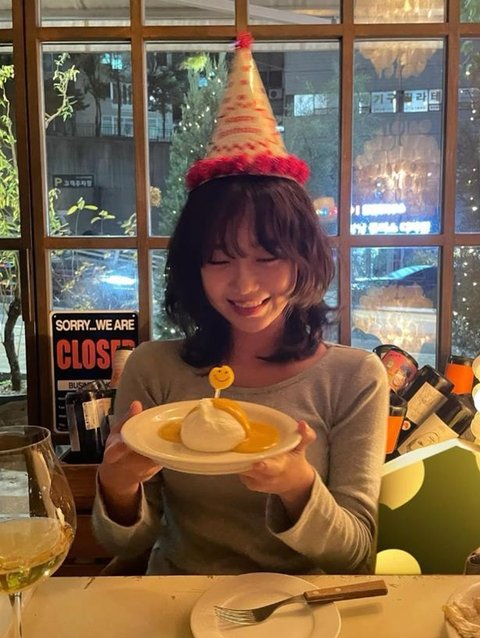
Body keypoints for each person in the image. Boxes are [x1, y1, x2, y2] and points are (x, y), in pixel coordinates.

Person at [92, 32, 389, 576]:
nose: (244, 285)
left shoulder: (353, 378)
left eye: (267, 257)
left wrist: (299, 487)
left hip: (298, 606)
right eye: (220, 259)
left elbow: (355, 553)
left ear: (303, 258)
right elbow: (124, 544)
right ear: (194, 267)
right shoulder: (155, 369)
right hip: (176, 598)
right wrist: (117, 485)